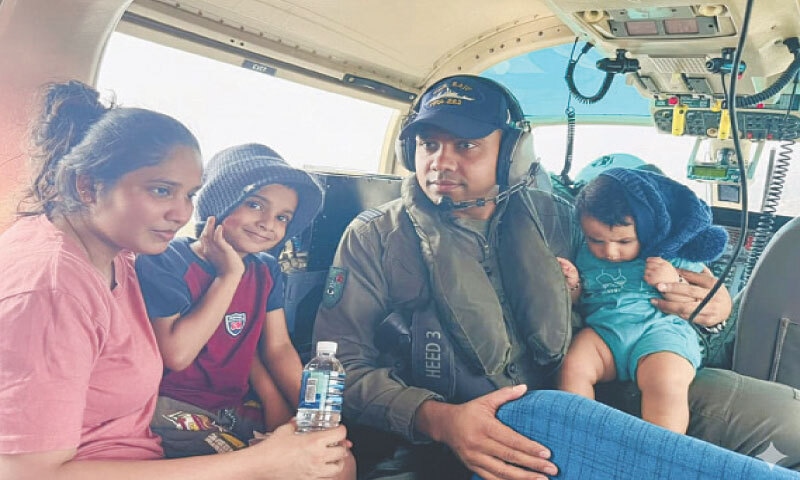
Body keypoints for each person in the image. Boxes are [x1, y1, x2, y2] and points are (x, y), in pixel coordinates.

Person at [312, 74, 800, 479]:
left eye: (466, 144)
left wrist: (713, 316)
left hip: (594, 398)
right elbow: (341, 368)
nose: (441, 161)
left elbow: (638, 307)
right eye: (428, 144)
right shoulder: (375, 237)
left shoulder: (563, 220)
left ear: (511, 152)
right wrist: (440, 420)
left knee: (786, 418)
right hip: (447, 432)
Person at [0, 80, 350, 480]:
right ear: (87, 186)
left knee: (334, 463)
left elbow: (258, 344)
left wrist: (281, 412)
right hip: (128, 455)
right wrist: (264, 462)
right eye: (161, 191)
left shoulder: (119, 255)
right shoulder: (50, 290)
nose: (181, 214)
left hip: (139, 450)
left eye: (189, 195)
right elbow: (27, 474)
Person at [135, 143, 354, 478]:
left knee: (337, 461)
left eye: (282, 217)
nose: (268, 223)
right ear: (220, 201)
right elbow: (176, 355)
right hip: (175, 410)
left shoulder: (266, 270)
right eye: (255, 204)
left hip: (234, 408)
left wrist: (312, 416)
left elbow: (277, 348)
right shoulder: (167, 260)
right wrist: (229, 275)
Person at [556, 168, 728, 433]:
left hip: (660, 334)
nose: (610, 252)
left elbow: (699, 296)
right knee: (572, 366)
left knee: (666, 381)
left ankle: (660, 449)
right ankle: (579, 435)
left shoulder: (670, 254)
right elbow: (583, 300)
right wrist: (573, 284)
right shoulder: (584, 255)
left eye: (624, 241)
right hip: (605, 333)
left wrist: (673, 279)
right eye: (596, 240)